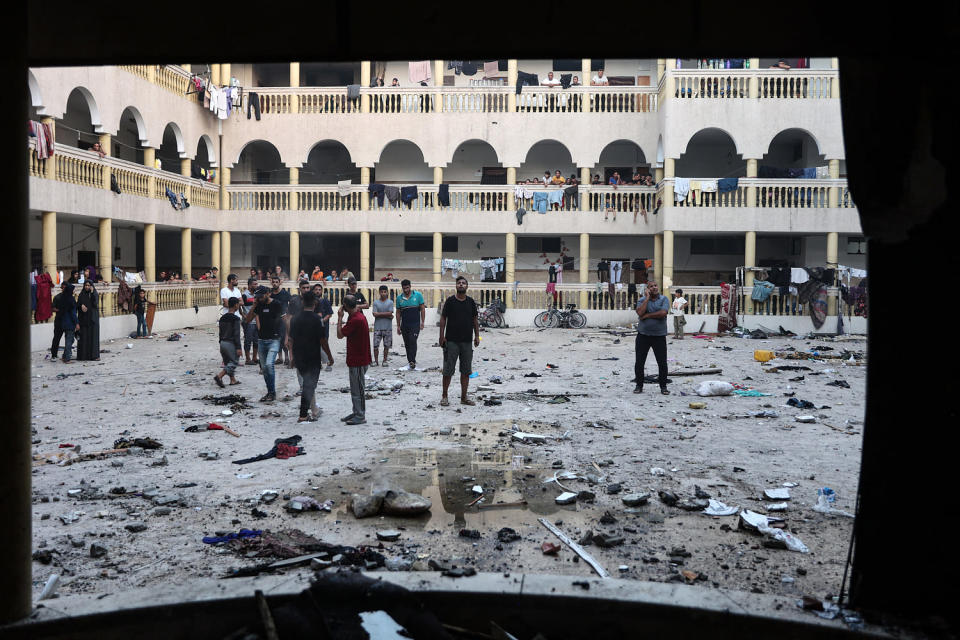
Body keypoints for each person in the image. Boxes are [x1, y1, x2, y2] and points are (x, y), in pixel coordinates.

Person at [439, 276, 480, 407]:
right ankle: (444, 396)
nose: (461, 285)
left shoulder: (471, 302)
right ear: (456, 286)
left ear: (467, 287)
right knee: (448, 370)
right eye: (459, 283)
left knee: (466, 371)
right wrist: (441, 336)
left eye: (463, 283)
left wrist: (477, 336)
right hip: (451, 341)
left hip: (467, 342)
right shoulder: (450, 301)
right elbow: (443, 318)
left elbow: (475, 320)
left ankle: (464, 397)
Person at [290, 290, 324, 422]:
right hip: (313, 356)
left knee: (307, 385)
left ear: (302, 302)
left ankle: (307, 412)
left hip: (299, 356)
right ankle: (303, 415)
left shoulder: (295, 318)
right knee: (310, 385)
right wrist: (329, 356)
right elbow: (322, 340)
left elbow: (291, 340)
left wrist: (292, 357)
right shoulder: (317, 319)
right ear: (315, 303)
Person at [336, 294, 371, 425]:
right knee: (356, 388)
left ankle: (360, 415)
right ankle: (357, 411)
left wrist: (339, 318)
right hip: (358, 357)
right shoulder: (357, 316)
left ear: (345, 306)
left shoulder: (356, 319)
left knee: (358, 390)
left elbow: (339, 335)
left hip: (358, 360)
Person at [246, 286, 282, 403]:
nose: (259, 299)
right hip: (261, 339)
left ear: (268, 294)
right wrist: (254, 305)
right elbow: (248, 319)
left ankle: (272, 393)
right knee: (265, 368)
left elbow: (284, 320)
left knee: (269, 365)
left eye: (261, 296)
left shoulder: (276, 304)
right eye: (257, 297)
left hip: (274, 339)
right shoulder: (259, 305)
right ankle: (270, 391)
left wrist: (286, 337)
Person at [634, 282, 671, 395]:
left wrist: (648, 315)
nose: (654, 287)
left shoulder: (664, 299)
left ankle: (663, 386)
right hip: (643, 335)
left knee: (662, 363)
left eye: (656, 285)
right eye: (651, 286)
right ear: (648, 289)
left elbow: (663, 313)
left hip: (659, 336)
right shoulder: (642, 300)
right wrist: (647, 299)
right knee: (640, 362)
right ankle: (639, 386)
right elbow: (640, 312)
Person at [396, 279, 426, 371]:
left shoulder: (418, 295)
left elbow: (422, 309)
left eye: (407, 288)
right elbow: (398, 313)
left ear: (410, 286)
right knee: (407, 343)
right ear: (402, 288)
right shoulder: (399, 298)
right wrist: (398, 326)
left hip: (415, 324)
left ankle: (412, 361)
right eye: (404, 288)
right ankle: (410, 361)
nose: (406, 290)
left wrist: (422, 322)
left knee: (413, 341)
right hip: (404, 325)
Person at [214, 297, 242, 388]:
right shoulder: (236, 319)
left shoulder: (222, 318)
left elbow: (220, 332)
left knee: (227, 363)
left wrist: (220, 343)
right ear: (235, 305)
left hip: (222, 342)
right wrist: (238, 348)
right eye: (238, 304)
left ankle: (232, 380)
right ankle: (219, 376)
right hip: (231, 343)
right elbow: (236, 334)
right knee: (234, 362)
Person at [284, 279, 312, 371]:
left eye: (308, 288)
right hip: (296, 328)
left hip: (309, 328)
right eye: (304, 288)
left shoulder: (313, 300)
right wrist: (287, 335)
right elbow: (289, 318)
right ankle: (292, 361)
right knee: (292, 346)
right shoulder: (294, 301)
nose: (306, 290)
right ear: (299, 289)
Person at [51, 282, 78, 362]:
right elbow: (53, 308)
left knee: (68, 339)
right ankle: (55, 355)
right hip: (61, 320)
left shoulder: (68, 298)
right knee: (58, 338)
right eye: (63, 287)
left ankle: (65, 354)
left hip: (65, 320)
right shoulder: (58, 297)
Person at [311, 282, 335, 369]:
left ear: (322, 291)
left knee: (324, 342)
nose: (318, 291)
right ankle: (318, 362)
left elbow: (329, 314)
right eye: (316, 289)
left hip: (324, 325)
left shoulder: (325, 301)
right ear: (313, 291)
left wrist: (321, 321)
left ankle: (326, 360)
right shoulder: (311, 301)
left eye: (319, 290)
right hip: (313, 325)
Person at [269, 276, 292, 365]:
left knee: (284, 337)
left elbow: (291, 303)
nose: (275, 283)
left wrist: (288, 313)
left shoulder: (285, 293)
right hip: (273, 319)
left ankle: (287, 357)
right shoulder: (270, 294)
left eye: (276, 282)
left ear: (279, 283)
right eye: (273, 282)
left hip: (284, 319)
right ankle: (280, 358)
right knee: (276, 338)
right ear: (271, 283)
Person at [75, 280, 100, 361]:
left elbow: (95, 304)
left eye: (89, 285)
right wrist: (81, 305)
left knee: (93, 338)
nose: (87, 287)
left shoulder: (94, 294)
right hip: (83, 319)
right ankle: (83, 356)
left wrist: (92, 293)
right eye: (85, 285)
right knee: (83, 337)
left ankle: (94, 356)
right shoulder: (82, 294)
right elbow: (77, 304)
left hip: (92, 320)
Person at [371, 285, 395, 366]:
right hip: (378, 327)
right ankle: (376, 361)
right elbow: (374, 314)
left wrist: (379, 314)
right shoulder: (375, 302)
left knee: (386, 346)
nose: (383, 293)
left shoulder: (390, 302)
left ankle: (384, 360)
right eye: (382, 292)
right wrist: (388, 315)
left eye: (385, 292)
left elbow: (390, 312)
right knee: (375, 346)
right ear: (379, 292)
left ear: (387, 292)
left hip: (388, 328)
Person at [241, 277, 259, 364]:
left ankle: (254, 358)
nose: (256, 286)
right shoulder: (244, 295)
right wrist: (243, 315)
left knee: (256, 340)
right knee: (248, 340)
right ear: (249, 285)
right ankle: (248, 359)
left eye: (257, 284)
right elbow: (239, 306)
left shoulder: (257, 295)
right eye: (254, 284)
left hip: (256, 321)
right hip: (248, 322)